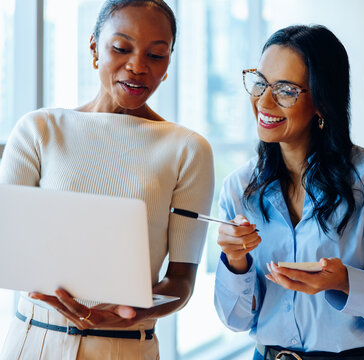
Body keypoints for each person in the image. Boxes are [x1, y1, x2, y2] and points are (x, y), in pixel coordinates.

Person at [214, 24, 364, 360]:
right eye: (260, 83)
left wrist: (345, 282)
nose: (263, 101)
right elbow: (235, 319)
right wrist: (236, 262)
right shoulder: (239, 187)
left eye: (285, 90)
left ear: (322, 101)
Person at [0, 0, 213, 359]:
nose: (137, 66)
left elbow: (182, 281)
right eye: (121, 48)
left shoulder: (187, 149)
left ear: (169, 62)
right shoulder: (38, 130)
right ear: (94, 49)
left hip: (125, 346)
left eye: (156, 56)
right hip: (34, 340)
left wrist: (136, 314)